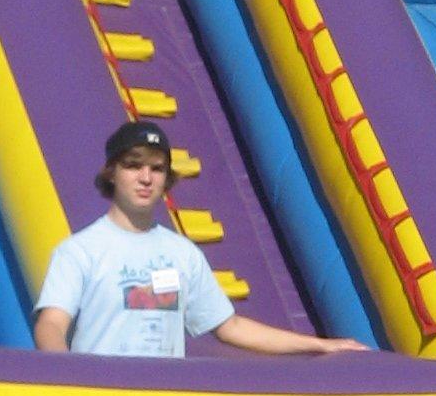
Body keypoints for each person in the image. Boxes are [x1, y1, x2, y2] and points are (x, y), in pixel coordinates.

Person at [33, 120, 362, 360]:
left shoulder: (181, 254)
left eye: (157, 169)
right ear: (112, 173)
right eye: (133, 166)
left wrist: (320, 344)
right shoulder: (80, 251)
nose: (146, 178)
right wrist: (70, 375)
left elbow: (229, 326)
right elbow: (51, 324)